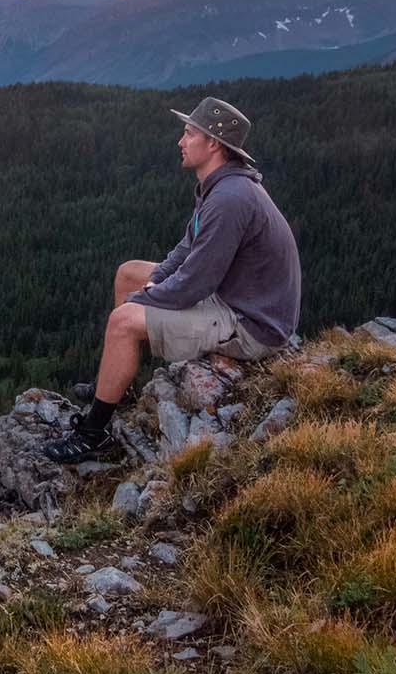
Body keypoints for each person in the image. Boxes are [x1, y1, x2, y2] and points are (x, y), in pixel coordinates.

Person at [44, 96, 301, 464]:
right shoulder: (218, 187)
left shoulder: (230, 199)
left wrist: (146, 300)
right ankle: (120, 385)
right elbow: (184, 251)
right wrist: (149, 286)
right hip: (235, 297)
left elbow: (195, 283)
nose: (180, 142)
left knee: (122, 322)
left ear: (213, 143)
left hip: (251, 324)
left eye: (188, 133)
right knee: (128, 272)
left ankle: (93, 434)